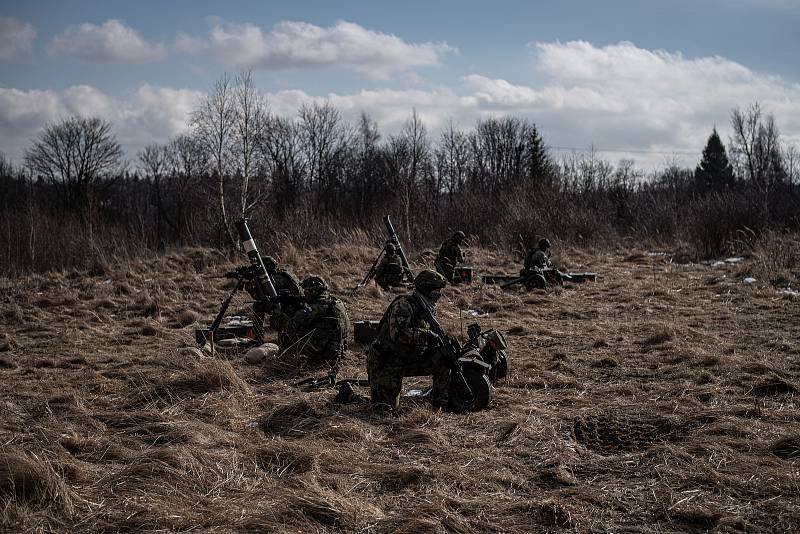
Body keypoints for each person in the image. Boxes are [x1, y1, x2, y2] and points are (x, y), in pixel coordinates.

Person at [367, 270, 451, 412]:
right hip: (386, 362)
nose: (439, 294)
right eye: (436, 290)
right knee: (385, 410)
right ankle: (350, 396)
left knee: (444, 361)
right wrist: (426, 335)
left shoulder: (426, 306)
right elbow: (398, 335)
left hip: (407, 357)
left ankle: (440, 405)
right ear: (426, 289)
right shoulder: (404, 305)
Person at [272, 276, 351, 375]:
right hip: (340, 351)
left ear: (313, 292)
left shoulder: (314, 309)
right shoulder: (335, 302)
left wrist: (279, 315)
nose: (304, 293)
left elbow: (290, 326)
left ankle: (284, 363)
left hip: (325, 354)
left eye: (306, 291)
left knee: (288, 336)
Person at [245, 255, 303, 335]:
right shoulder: (284, 274)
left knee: (258, 305)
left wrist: (249, 285)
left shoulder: (275, 279)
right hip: (294, 305)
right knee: (260, 304)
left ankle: (258, 336)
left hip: (288, 308)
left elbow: (260, 297)